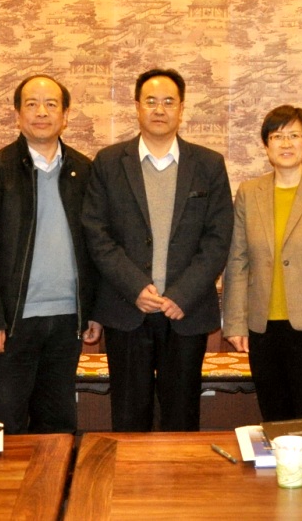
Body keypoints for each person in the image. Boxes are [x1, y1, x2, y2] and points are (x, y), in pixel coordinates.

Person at [81, 68, 233, 432]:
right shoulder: (109, 162)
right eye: (150, 101)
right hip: (126, 308)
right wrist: (135, 287)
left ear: (181, 108)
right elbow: (97, 233)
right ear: (137, 106)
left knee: (181, 418)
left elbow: (218, 238)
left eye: (168, 101)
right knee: (128, 419)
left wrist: (182, 293)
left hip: (185, 312)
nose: (159, 109)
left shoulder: (208, 165)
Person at [0, 75, 102, 434]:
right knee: (6, 422)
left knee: (57, 423)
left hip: (67, 319)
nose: (42, 112)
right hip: (12, 322)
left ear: (65, 115)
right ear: (17, 114)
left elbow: (95, 246)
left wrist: (93, 310)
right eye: (31, 104)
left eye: (51, 104)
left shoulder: (84, 170)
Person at [223, 105, 302, 426]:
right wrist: (235, 322)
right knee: (275, 418)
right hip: (262, 327)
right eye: (277, 136)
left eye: (294, 135)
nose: (286, 143)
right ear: (266, 145)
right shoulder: (249, 192)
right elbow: (237, 260)